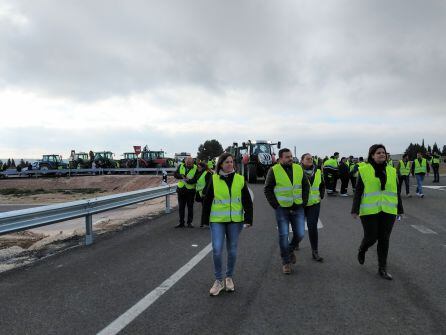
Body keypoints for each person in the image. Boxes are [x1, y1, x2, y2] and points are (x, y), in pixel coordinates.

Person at [201, 153, 253, 296]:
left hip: (235, 221)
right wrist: (204, 220)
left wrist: (248, 219)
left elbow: (247, 201)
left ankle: (228, 278)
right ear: (221, 164)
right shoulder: (214, 179)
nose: (230, 164)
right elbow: (207, 200)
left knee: (232, 250)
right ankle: (218, 280)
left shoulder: (240, 179)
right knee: (217, 249)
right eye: (227, 162)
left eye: (231, 162)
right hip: (217, 220)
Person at [351, 144, 403, 280]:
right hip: (369, 211)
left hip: (388, 210)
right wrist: (355, 209)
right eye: (378, 152)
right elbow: (358, 192)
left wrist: (400, 209)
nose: (382, 154)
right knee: (371, 237)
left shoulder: (392, 170)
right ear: (372, 155)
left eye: (383, 152)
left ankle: (382, 269)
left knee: (384, 239)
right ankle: (362, 249)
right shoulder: (364, 170)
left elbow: (396, 191)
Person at [264, 148, 309, 274]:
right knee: (283, 236)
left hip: (298, 206)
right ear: (280, 159)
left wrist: (304, 202)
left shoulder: (298, 168)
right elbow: (267, 189)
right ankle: (286, 262)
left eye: (291, 156)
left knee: (300, 234)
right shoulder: (274, 170)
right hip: (282, 208)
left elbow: (305, 186)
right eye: (287, 157)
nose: (290, 158)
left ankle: (289, 250)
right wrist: (276, 205)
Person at [301, 153, 325, 262]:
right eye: (307, 159)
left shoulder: (318, 171)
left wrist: (321, 195)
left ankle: (315, 251)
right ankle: (295, 243)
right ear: (302, 160)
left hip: (314, 203)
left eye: (311, 159)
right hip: (300, 204)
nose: (310, 160)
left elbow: (322, 184)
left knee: (312, 226)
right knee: (298, 227)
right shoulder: (296, 171)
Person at [174, 157, 197, 228]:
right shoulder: (181, 166)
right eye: (187, 163)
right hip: (181, 190)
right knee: (181, 207)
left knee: (190, 207)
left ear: (193, 163)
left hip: (190, 191)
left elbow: (196, 179)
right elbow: (175, 174)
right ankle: (181, 223)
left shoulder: (196, 168)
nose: (188, 165)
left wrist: (188, 181)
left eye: (190, 164)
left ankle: (189, 223)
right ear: (185, 162)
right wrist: (181, 176)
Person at [195, 162, 213, 228]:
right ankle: (204, 223)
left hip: (207, 194)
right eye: (197, 167)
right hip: (201, 193)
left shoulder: (208, 173)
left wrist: (204, 192)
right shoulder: (199, 173)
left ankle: (206, 223)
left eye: (199, 167)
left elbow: (208, 184)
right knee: (204, 208)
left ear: (202, 167)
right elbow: (195, 180)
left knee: (207, 209)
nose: (198, 168)